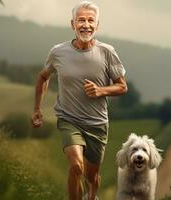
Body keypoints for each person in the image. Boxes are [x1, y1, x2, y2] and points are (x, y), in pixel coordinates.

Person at [31, 1, 127, 200]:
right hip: (69, 119)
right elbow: (42, 77)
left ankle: (91, 196)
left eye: (91, 20)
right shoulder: (58, 52)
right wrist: (37, 109)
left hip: (97, 123)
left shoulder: (107, 52)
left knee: (92, 177)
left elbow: (122, 86)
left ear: (97, 25)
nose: (86, 25)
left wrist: (101, 90)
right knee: (76, 166)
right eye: (81, 20)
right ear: (72, 24)